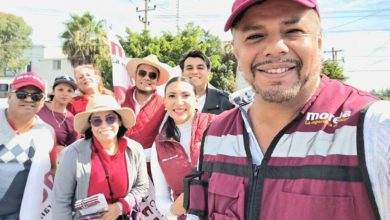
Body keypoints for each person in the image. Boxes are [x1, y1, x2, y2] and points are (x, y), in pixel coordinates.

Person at [185, 0, 390, 220]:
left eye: (293, 31)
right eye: (255, 36)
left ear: (319, 42)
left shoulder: (373, 128)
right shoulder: (217, 133)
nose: (275, 47)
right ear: (236, 51)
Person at [53, 94, 148, 219]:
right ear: (90, 126)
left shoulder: (134, 149)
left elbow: (142, 187)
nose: (104, 125)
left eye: (110, 118)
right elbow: (61, 202)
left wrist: (120, 207)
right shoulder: (73, 153)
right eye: (97, 121)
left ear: (119, 121)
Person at [150, 77, 215, 219]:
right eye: (172, 96)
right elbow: (161, 197)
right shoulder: (160, 144)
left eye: (185, 95)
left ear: (197, 100)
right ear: (165, 102)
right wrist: (173, 209)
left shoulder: (218, 126)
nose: (179, 102)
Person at [0, 71, 57, 219]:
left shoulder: (47, 132)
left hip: (20, 215)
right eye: (22, 94)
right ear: (9, 96)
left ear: (43, 101)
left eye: (36, 96)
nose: (29, 99)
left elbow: (51, 171)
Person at [122, 54, 169, 168]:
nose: (146, 78)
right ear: (135, 75)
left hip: (146, 169)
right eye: (142, 73)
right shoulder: (120, 98)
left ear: (157, 80)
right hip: (117, 165)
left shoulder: (165, 105)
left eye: (152, 75)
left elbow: (164, 142)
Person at [179, 50, 234, 114]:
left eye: (200, 68)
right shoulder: (172, 101)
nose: (194, 72)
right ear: (182, 73)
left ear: (208, 72)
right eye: (189, 68)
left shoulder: (227, 102)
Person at [38, 75, 79, 155]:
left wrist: (66, 150)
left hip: (55, 164)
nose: (65, 94)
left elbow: (75, 149)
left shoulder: (72, 120)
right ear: (53, 91)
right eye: (60, 89)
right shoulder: (39, 107)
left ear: (73, 94)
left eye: (69, 91)